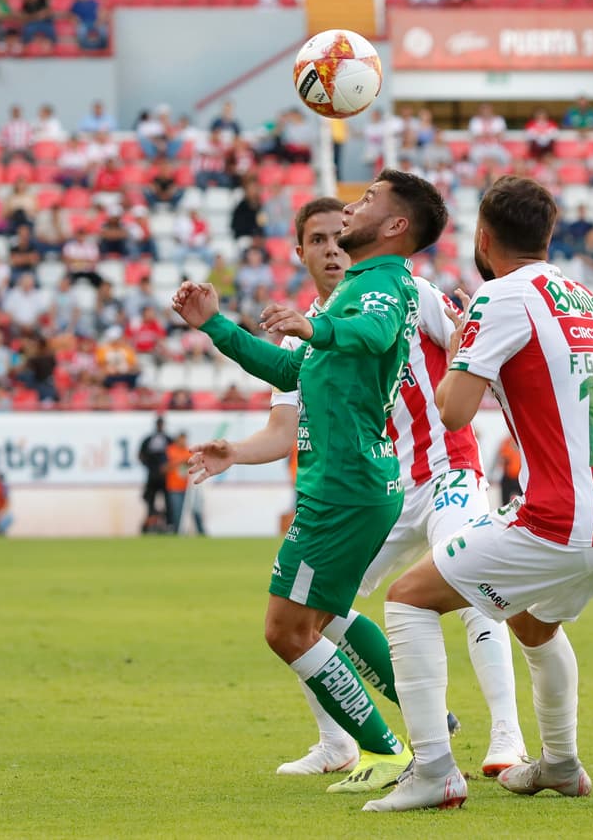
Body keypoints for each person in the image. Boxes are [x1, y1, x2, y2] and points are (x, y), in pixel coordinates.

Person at [188, 197, 526, 779]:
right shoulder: (304, 331)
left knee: (474, 586)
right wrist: (236, 453)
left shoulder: (405, 291)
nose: (332, 248)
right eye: (317, 241)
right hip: (383, 481)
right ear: (301, 254)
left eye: (337, 235)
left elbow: (465, 345)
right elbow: (284, 425)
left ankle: (506, 737)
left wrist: (477, 335)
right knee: (320, 612)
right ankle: (346, 740)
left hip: (444, 468)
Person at [364, 176, 593, 812]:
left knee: (408, 598)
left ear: (483, 240)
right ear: (547, 236)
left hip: (560, 517)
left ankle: (433, 771)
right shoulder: (581, 295)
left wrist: (462, 346)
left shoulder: (498, 298)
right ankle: (560, 764)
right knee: (531, 619)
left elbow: (455, 412)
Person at [172, 170, 449, 794]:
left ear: (397, 226)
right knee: (321, 622)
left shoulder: (381, 285)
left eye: (368, 201)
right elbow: (293, 368)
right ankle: (422, 732)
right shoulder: (357, 289)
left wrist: (314, 327)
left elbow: (372, 335)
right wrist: (217, 327)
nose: (354, 208)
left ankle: (381, 751)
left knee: (286, 630)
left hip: (343, 488)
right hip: (356, 483)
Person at [137, 416, 171, 533]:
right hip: (152, 477)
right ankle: (150, 526)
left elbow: (174, 457)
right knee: (150, 503)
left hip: (166, 478)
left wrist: (167, 467)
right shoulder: (148, 440)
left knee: (168, 502)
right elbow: (140, 456)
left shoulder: (168, 439)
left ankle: (167, 526)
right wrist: (150, 467)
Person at [165, 432, 193, 533]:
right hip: (174, 486)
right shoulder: (170, 450)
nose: (183, 442)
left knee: (191, 511)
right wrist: (180, 462)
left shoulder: (189, 451)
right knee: (176, 511)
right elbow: (165, 467)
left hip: (188, 488)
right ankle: (177, 531)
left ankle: (185, 531)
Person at [495, 435, 522, 507]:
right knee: (505, 503)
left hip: (520, 478)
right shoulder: (506, 442)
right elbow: (501, 458)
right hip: (508, 477)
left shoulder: (523, 441)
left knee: (523, 502)